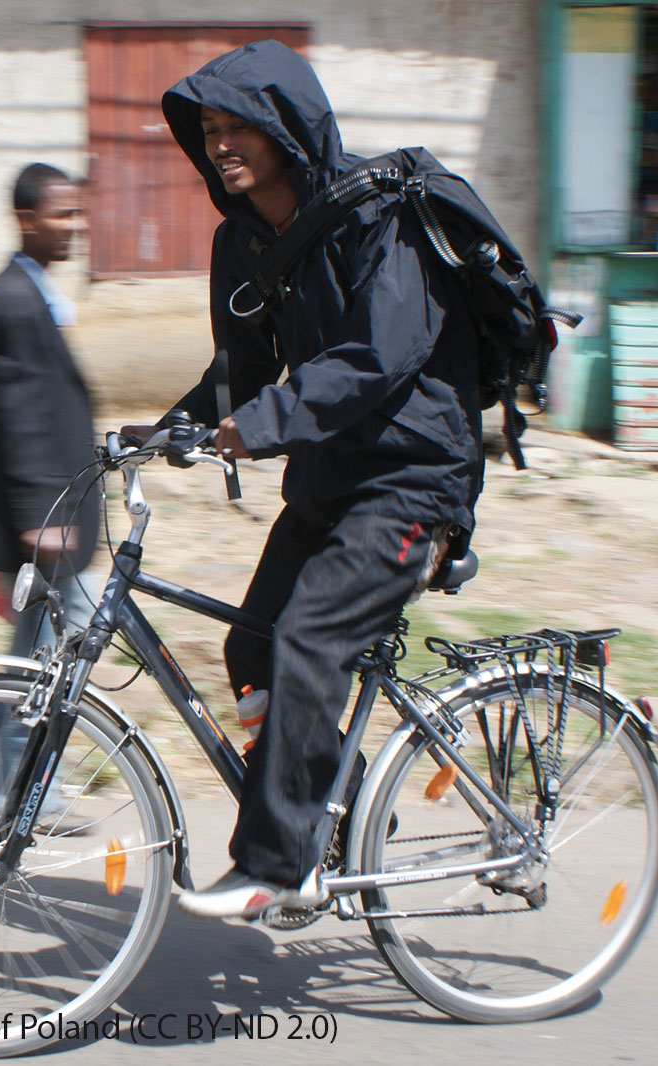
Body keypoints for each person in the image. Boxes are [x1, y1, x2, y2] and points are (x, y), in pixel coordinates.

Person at [125, 40, 484, 920]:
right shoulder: (241, 242)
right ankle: (335, 808)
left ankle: (276, 863)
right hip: (329, 480)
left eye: (238, 125)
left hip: (412, 479)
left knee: (308, 639)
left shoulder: (379, 219)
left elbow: (378, 356)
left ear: (288, 126)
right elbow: (238, 369)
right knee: (253, 645)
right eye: (208, 130)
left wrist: (267, 421)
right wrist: (160, 432)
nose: (219, 145)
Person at [0, 163, 100, 817]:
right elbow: (13, 419)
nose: (74, 227)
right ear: (26, 220)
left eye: (77, 214)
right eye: (61, 215)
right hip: (44, 518)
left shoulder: (28, 291)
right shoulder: (13, 300)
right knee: (55, 651)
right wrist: (40, 517)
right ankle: (16, 790)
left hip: (50, 510)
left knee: (36, 643)